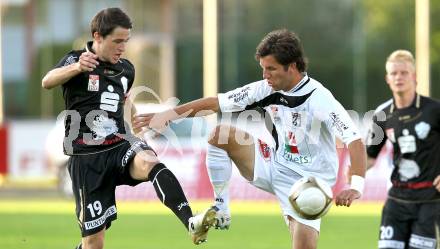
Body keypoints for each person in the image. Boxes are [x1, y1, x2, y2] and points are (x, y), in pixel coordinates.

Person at [133, 29, 367, 249]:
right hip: (275, 165)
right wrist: (168, 115)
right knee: (219, 135)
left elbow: (354, 139)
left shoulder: (321, 99)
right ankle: (221, 207)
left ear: (292, 67)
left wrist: (355, 186)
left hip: (310, 184)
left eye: (271, 69)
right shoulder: (267, 88)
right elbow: (216, 103)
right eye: (263, 68)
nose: (265, 75)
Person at [41, 8, 216, 249]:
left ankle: (191, 222)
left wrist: (136, 120)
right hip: (86, 157)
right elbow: (47, 81)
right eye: (117, 41)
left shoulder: (126, 69)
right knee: (94, 243)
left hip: (117, 142)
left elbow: (123, 98)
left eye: (126, 41)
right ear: (98, 37)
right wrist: (77, 69)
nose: (122, 47)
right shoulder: (76, 60)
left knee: (150, 161)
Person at [365, 50, 440, 249]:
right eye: (394, 73)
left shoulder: (434, 110)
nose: (399, 77)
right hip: (397, 200)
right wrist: (353, 170)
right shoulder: (381, 115)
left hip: (429, 201)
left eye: (404, 73)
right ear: (387, 78)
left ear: (414, 77)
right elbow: (370, 156)